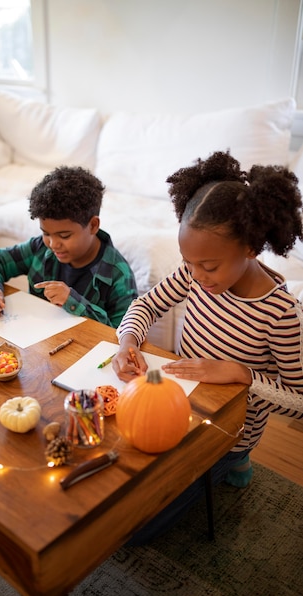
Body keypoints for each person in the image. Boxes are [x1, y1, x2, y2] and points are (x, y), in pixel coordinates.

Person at [112, 150, 303, 544]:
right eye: (189, 263)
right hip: (180, 402)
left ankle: (238, 461)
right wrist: (127, 338)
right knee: (115, 479)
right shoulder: (194, 272)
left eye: (209, 266)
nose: (197, 277)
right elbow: (145, 304)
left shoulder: (282, 315)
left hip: (228, 430)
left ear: (250, 247)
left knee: (133, 528)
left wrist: (242, 374)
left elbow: (299, 401)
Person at [0, 166, 138, 328]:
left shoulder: (118, 275)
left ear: (93, 225)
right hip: (38, 341)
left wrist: (73, 302)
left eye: (64, 236)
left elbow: (123, 334)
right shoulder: (40, 248)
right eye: (46, 233)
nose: (53, 244)